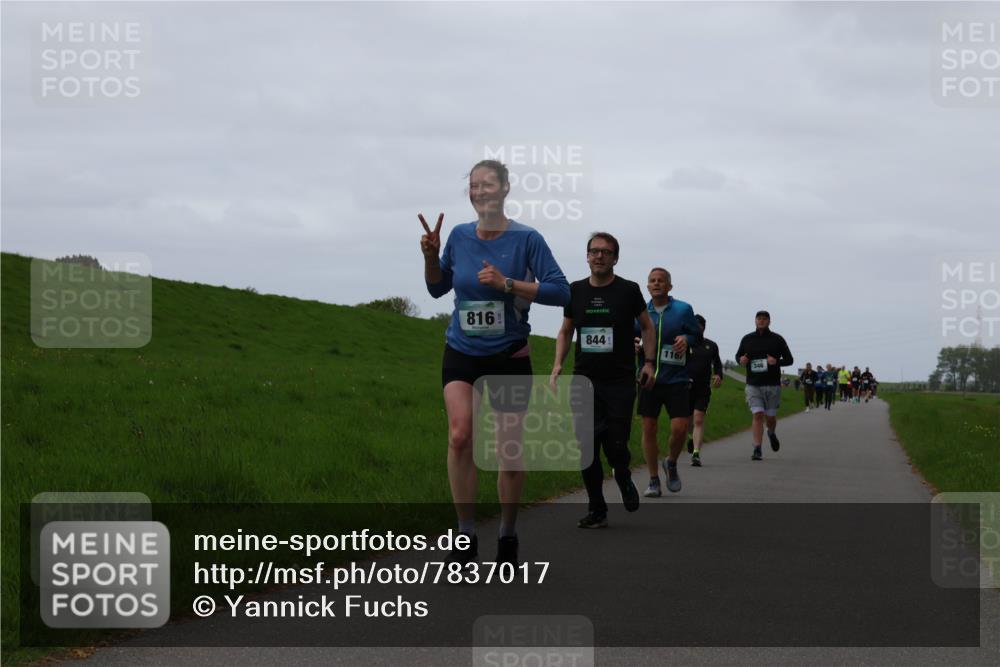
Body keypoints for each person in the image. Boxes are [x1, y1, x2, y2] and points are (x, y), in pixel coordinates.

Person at [421, 159, 570, 565]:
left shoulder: (528, 239)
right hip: (462, 350)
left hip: (508, 355)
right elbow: (437, 288)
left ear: (505, 189)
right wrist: (432, 256)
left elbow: (560, 292)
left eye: (488, 184)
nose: (480, 191)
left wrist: (507, 283)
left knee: (509, 450)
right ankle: (466, 535)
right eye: (474, 186)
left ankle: (507, 532)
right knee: (459, 435)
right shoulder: (458, 235)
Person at [551, 232, 656, 529]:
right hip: (584, 380)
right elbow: (565, 331)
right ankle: (597, 508)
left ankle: (622, 473)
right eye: (594, 251)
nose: (599, 256)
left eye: (606, 252)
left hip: (620, 381)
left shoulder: (629, 290)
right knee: (587, 447)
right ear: (587, 256)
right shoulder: (575, 291)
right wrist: (558, 363)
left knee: (616, 445)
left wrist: (648, 363)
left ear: (615, 258)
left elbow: (648, 328)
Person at [635, 268, 701, 496]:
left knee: (680, 427)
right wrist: (635, 343)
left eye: (661, 281)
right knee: (649, 427)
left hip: (677, 378)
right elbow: (632, 334)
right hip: (649, 379)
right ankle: (653, 480)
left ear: (669, 286)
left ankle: (671, 462)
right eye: (652, 281)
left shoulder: (683, 309)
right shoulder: (641, 311)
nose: (656, 284)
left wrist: (687, 339)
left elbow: (697, 336)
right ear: (647, 286)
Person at [735, 311, 794, 460]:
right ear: (755, 321)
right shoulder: (747, 339)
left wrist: (776, 361)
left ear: (769, 321)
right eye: (759, 319)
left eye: (764, 319)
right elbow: (738, 356)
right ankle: (757, 448)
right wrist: (741, 360)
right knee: (758, 414)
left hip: (772, 384)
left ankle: (771, 432)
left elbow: (789, 360)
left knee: (771, 418)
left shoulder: (777, 339)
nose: (761, 321)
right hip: (753, 384)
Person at [684, 314, 723, 467]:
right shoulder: (683, 343)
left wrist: (718, 375)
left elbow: (718, 363)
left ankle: (696, 453)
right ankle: (689, 436)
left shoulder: (711, 346)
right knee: (686, 422)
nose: (697, 328)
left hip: (703, 388)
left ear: (703, 328)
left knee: (698, 419)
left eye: (699, 325)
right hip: (685, 386)